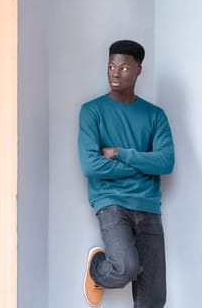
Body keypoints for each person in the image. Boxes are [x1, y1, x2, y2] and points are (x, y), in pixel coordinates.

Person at [78, 40, 174, 308]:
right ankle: (98, 267)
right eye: (111, 66)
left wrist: (122, 153)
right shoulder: (91, 111)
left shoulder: (155, 115)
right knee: (125, 268)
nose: (115, 73)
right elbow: (91, 166)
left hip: (149, 207)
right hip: (112, 202)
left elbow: (165, 162)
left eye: (123, 67)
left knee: (154, 298)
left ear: (138, 71)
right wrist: (142, 165)